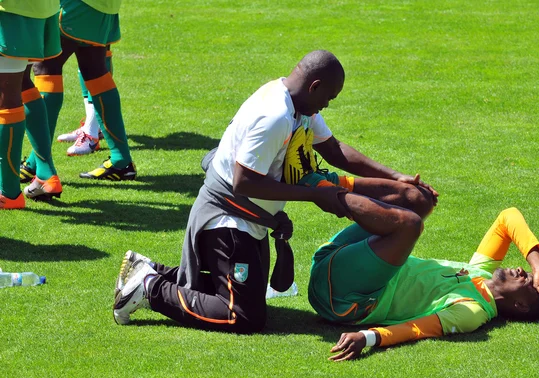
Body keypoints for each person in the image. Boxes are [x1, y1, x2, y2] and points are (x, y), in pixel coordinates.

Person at [112, 50, 437, 333]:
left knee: (245, 291)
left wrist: (397, 177)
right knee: (242, 315)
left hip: (251, 217)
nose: (327, 104)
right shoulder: (275, 115)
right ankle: (148, 287)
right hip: (228, 221)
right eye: (329, 97)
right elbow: (243, 182)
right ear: (315, 86)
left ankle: (150, 269)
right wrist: (313, 194)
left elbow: (334, 150)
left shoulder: (299, 105)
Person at [307, 198, 539, 361]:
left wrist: (368, 337)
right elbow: (508, 216)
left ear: (521, 306)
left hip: (347, 297)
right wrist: (537, 264)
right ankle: (316, 187)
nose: (521, 270)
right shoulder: (481, 272)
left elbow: (417, 329)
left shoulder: (471, 311)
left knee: (410, 223)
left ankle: (312, 188)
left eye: (527, 280)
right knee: (417, 199)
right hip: (332, 259)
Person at [20, 0, 136, 181]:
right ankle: (121, 161)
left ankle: (37, 164)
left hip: (76, 5)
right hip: (103, 6)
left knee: (46, 67)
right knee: (95, 70)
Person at [0, 0, 63, 208]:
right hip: (41, 7)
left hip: (13, 10)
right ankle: (46, 173)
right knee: (20, 82)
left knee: (6, 92)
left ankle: (8, 193)